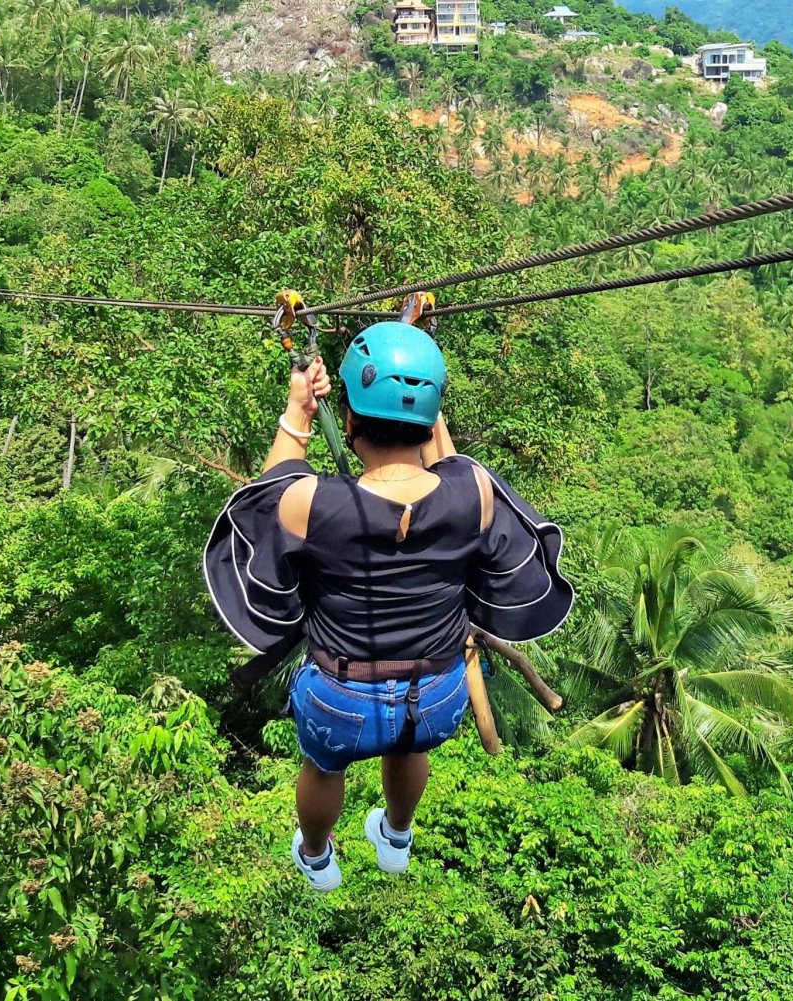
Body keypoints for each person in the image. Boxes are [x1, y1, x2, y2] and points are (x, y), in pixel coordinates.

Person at [204, 322, 573, 891]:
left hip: (343, 695)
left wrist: (298, 410)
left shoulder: (312, 502)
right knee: (407, 743)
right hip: (438, 694)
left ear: (349, 421)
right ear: (430, 419)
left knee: (325, 765)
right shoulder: (471, 490)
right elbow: (449, 461)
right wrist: (420, 378)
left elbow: (269, 491)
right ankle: (396, 835)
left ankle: (318, 855)